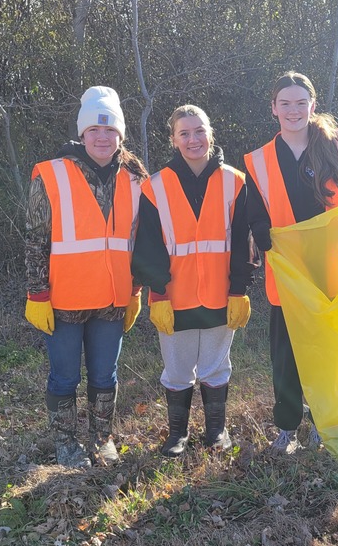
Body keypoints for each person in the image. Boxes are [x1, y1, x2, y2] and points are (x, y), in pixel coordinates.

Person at [244, 72, 338, 454]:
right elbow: (255, 208)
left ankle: (325, 422)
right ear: (273, 108)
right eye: (285, 103)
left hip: (330, 268)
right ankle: (287, 426)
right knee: (287, 353)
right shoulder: (258, 160)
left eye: (300, 103)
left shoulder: (336, 146)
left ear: (312, 105)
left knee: (329, 350)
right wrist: (259, 228)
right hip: (289, 273)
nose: (293, 111)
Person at [24, 86, 148, 468]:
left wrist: (137, 290)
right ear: (82, 132)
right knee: (64, 377)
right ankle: (65, 443)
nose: (102, 137)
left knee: (104, 375)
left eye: (110, 130)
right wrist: (37, 293)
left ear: (120, 136)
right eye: (94, 129)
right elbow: (34, 237)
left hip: (113, 298)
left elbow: (141, 238)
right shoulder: (51, 173)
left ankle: (102, 438)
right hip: (64, 299)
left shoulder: (135, 177)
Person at [132, 105, 253, 457]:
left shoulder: (236, 181)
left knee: (216, 366)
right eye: (184, 133)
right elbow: (148, 246)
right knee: (177, 369)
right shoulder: (155, 186)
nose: (193, 139)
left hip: (221, 294)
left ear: (210, 133)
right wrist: (158, 294)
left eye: (199, 131)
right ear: (173, 139)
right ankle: (177, 434)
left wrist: (239, 290)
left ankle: (216, 431)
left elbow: (245, 240)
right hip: (175, 297)